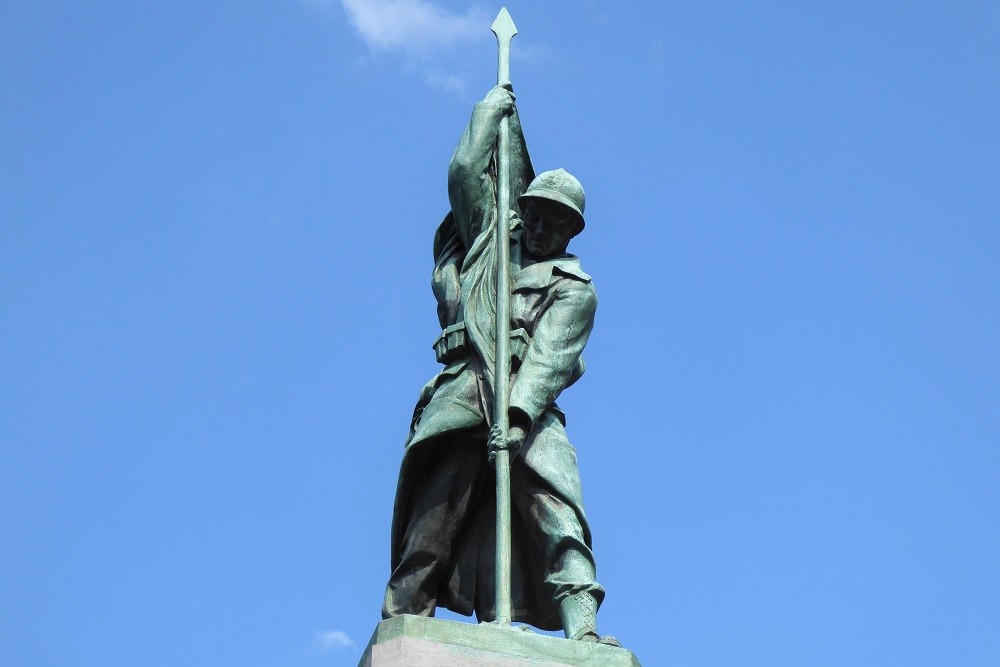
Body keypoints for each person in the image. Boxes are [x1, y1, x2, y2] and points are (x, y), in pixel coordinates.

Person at [381, 85, 616, 645]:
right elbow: (466, 173)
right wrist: (489, 114)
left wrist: (517, 414)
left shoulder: (574, 289)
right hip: (468, 384)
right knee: (439, 503)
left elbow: (551, 357)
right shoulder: (493, 245)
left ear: (570, 232)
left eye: (555, 223)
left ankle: (581, 626)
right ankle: (406, 615)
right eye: (534, 215)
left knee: (559, 507)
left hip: (527, 401)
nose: (540, 228)